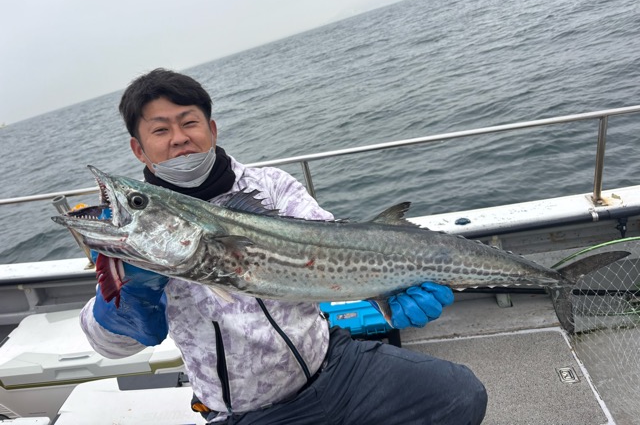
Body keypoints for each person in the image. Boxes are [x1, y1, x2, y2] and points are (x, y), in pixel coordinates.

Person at [80, 68, 487, 424]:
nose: (179, 139)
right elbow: (108, 346)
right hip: (248, 412)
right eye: (160, 130)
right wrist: (130, 297)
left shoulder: (270, 186)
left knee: (460, 395)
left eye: (189, 123)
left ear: (212, 130)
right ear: (139, 148)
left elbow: (331, 245)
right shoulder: (137, 234)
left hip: (333, 366)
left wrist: (386, 285)